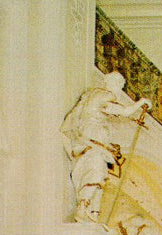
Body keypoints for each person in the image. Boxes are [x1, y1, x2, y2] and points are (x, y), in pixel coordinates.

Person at [60, 72, 150, 222]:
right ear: (113, 83)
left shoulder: (91, 94)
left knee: (98, 174)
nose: (120, 90)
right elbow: (125, 111)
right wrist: (142, 102)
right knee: (97, 173)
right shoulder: (106, 96)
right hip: (92, 144)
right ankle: (83, 207)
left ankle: (92, 214)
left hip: (86, 143)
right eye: (120, 86)